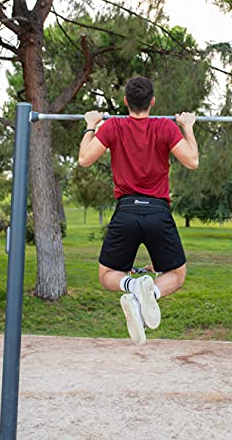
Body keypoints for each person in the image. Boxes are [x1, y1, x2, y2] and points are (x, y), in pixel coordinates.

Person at [78, 76, 199, 344]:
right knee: (176, 275)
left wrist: (90, 126)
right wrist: (187, 126)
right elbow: (192, 161)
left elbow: (84, 159)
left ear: (125, 102)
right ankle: (149, 293)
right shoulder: (165, 128)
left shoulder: (113, 127)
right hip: (158, 212)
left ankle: (133, 287)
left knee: (107, 275)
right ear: (152, 102)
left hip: (126, 213)